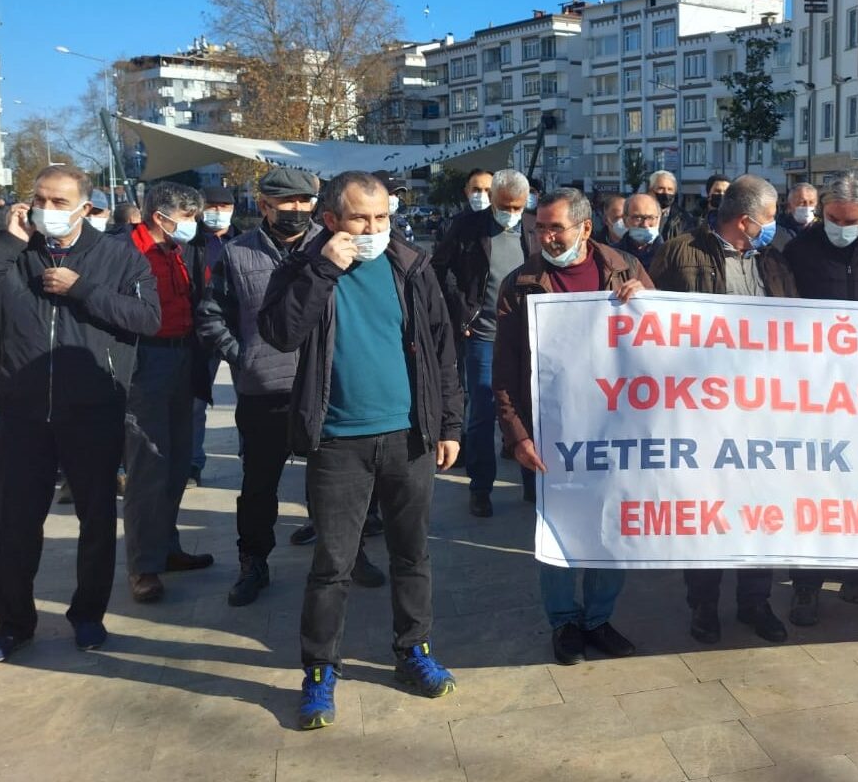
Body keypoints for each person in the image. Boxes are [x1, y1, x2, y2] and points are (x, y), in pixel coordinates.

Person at [259, 170, 463, 730]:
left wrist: (449, 424)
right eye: (359, 219)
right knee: (333, 565)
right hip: (337, 442)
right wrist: (324, 270)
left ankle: (413, 651)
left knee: (411, 554)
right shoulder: (302, 267)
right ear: (331, 220)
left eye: (381, 218)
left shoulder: (411, 266)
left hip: (409, 437)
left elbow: (442, 349)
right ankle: (320, 672)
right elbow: (280, 332)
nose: (373, 230)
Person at [0, 164, 160, 664]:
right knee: (13, 523)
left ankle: (88, 615)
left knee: (96, 519)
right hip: (22, 413)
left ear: (85, 207)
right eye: (39, 199)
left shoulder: (118, 257)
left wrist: (82, 289)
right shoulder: (14, 253)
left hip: (93, 410)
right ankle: (12, 625)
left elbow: (148, 319)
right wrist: (7, 244)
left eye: (60, 202)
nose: (46, 209)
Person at [196, 167, 386, 606]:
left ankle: (351, 554)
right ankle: (253, 562)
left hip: (329, 387)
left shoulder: (337, 246)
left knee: (337, 484)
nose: (297, 209)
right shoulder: (237, 254)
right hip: (266, 392)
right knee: (259, 485)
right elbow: (211, 316)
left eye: (305, 201)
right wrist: (243, 356)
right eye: (287, 202)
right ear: (264, 205)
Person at [492, 187, 651, 665]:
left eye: (555, 228)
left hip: (616, 428)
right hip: (552, 431)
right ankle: (564, 622)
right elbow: (505, 370)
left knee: (612, 526)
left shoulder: (625, 268)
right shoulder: (520, 284)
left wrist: (648, 300)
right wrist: (517, 435)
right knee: (558, 528)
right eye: (539, 228)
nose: (546, 237)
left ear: (585, 228)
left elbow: (664, 338)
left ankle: (598, 619)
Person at [649, 176, 793, 645]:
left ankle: (756, 601)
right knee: (707, 509)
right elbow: (647, 316)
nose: (774, 225)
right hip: (701, 410)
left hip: (764, 410)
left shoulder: (775, 257)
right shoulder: (680, 252)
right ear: (747, 220)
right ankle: (704, 606)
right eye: (770, 217)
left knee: (760, 508)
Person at [781, 171, 858, 626]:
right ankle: (806, 584)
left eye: (850, 220)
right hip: (812, 393)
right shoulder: (799, 250)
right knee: (812, 489)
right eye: (832, 218)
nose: (839, 227)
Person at [122, 182, 216, 604]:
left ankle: (167, 547)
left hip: (184, 359)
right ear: (160, 217)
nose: (194, 224)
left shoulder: (182, 251)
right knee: (148, 466)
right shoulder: (124, 251)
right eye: (188, 217)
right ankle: (143, 567)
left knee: (177, 462)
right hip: (145, 364)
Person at [432, 168, 538, 517]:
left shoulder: (533, 227)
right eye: (505, 207)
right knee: (482, 410)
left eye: (517, 207)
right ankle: (480, 488)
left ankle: (533, 483)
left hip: (528, 335)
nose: (511, 213)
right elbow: (441, 269)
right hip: (483, 334)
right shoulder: (468, 227)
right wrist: (461, 310)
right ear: (492, 200)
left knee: (529, 410)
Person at [191, 186, 238, 487]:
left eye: (224, 206)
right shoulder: (189, 241)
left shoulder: (245, 240)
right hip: (200, 331)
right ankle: (192, 464)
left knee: (250, 400)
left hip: (237, 330)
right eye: (212, 205)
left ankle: (250, 454)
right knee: (195, 403)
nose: (218, 211)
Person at [614, 193, 664, 270]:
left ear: (659, 220)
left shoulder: (670, 255)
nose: (645, 224)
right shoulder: (612, 254)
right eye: (637, 218)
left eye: (650, 217)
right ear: (624, 220)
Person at [647, 170, 688, 240]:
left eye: (670, 189)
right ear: (651, 190)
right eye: (661, 188)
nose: (666, 193)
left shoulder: (684, 219)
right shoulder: (638, 214)